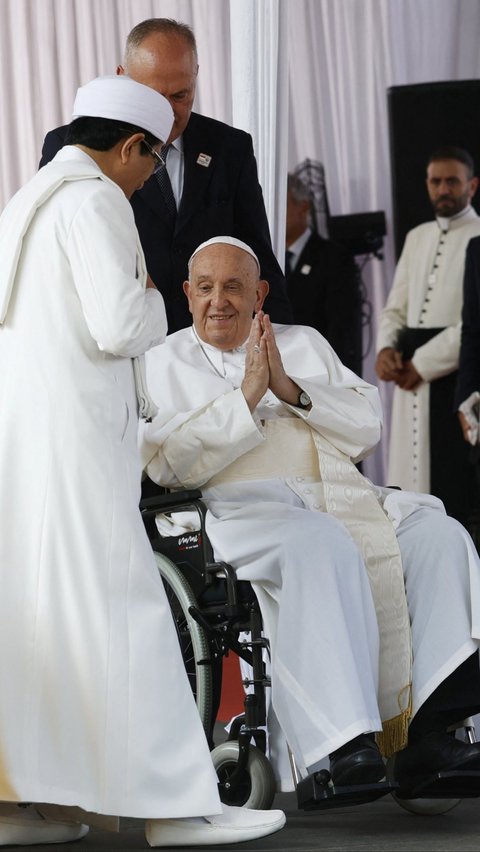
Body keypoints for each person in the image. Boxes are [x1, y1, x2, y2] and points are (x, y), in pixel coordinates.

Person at [0, 80, 285, 847]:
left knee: (42, 621)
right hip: (81, 448)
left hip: (29, 450)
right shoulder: (94, 201)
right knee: (125, 616)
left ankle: (32, 802)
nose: (148, 179)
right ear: (133, 147)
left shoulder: (30, 200)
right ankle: (172, 808)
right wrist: (153, 296)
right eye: (151, 164)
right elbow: (119, 322)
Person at [140, 235, 480, 799]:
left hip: (337, 494)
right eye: (205, 288)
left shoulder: (302, 343)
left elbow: (367, 425)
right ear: (187, 293)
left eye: (234, 287)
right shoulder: (160, 362)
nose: (219, 301)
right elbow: (169, 463)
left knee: (437, 536)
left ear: (260, 292)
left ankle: (432, 733)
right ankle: (344, 746)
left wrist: (289, 388)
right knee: (318, 544)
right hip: (235, 508)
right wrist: (246, 398)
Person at [39, 17, 292, 334]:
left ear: (196, 76)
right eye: (155, 97)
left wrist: (284, 344)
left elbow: (257, 258)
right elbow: (59, 269)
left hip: (213, 348)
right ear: (122, 78)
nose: (169, 112)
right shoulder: (71, 147)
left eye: (181, 95)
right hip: (123, 346)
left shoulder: (230, 147)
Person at [375, 145, 480, 526]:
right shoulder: (418, 236)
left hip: (453, 375)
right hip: (409, 376)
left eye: (452, 181)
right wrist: (386, 346)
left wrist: (423, 362)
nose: (443, 189)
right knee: (409, 487)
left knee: (453, 491)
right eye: (436, 181)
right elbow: (395, 307)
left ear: (472, 185)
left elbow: (475, 325)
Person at [285, 172, 362, 374]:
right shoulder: (262, 262)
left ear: (303, 207)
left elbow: (342, 333)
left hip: (319, 376)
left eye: (280, 205)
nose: (270, 213)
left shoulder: (335, 259)